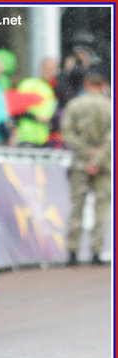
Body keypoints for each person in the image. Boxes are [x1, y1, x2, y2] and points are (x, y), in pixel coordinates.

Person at [60, 71, 111, 266]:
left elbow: (67, 134)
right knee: (101, 208)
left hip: (80, 164)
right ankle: (96, 251)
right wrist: (98, 158)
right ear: (102, 84)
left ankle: (72, 250)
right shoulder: (109, 107)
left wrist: (87, 154)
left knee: (77, 207)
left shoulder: (74, 105)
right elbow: (110, 137)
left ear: (86, 83)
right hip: (105, 164)